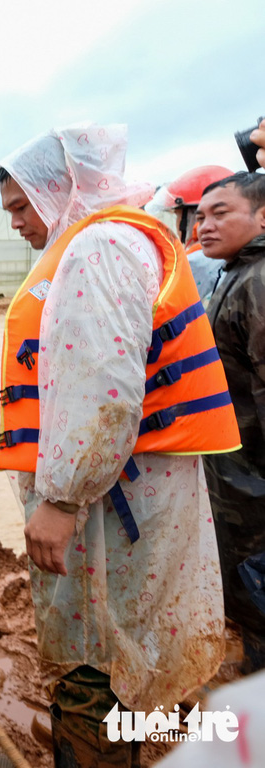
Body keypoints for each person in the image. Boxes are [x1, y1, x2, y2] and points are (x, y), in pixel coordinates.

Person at [0, 124, 239, 768]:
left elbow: (99, 387)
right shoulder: (121, 236)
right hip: (141, 491)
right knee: (148, 652)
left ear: (61, 189)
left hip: (110, 504)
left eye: (22, 206)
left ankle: (99, 753)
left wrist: (60, 497)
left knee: (95, 662)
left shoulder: (96, 248)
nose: (17, 223)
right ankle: (163, 751)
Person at [196, 171, 265, 672]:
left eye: (221, 213)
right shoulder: (236, 271)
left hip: (254, 488)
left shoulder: (260, 280)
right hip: (236, 480)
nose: (205, 226)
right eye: (199, 216)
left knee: (257, 589)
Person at [153, 165, 233, 302]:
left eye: (177, 216)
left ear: (191, 217)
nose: (176, 224)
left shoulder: (196, 261)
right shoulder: (235, 250)